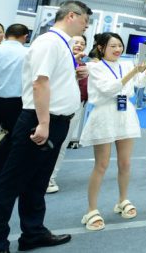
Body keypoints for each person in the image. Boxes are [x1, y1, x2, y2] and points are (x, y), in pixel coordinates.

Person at [0, 1, 92, 253]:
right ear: (72, 16)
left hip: (55, 121)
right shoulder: (49, 42)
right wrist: (43, 124)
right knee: (9, 183)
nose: (87, 25)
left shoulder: (61, 44)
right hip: (40, 120)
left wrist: (72, 76)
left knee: (37, 182)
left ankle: (33, 232)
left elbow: (49, 80)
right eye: (85, 19)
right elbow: (39, 84)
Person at [79, 32, 146, 231]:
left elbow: (141, 83)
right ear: (101, 48)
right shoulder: (94, 67)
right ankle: (91, 209)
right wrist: (132, 72)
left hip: (126, 115)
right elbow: (108, 89)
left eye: (119, 45)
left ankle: (122, 200)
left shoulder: (127, 64)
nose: (118, 49)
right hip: (104, 115)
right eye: (112, 46)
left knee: (125, 163)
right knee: (101, 164)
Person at [0, 24, 29, 186]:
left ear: (5, 35)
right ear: (25, 37)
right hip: (15, 103)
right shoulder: (28, 53)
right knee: (9, 140)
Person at [47, 34, 89, 193]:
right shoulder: (59, 59)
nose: (79, 45)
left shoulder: (85, 64)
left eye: (82, 43)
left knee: (62, 144)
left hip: (75, 107)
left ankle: (50, 178)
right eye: (76, 42)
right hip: (52, 106)